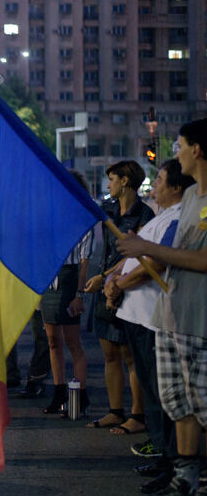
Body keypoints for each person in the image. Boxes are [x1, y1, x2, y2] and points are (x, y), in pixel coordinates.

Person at [117, 119, 207, 496]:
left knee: (203, 405)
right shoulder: (190, 198)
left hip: (199, 317)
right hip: (172, 315)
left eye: (181, 144)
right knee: (179, 401)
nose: (176, 150)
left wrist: (145, 247)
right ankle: (185, 479)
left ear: (199, 150)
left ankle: (202, 488)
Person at [107, 159, 193, 488]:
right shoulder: (163, 217)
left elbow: (154, 262)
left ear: (175, 188)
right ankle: (163, 456)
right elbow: (132, 257)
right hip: (135, 315)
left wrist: (119, 284)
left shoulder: (177, 220)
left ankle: (173, 462)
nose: (154, 186)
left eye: (159, 180)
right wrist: (112, 278)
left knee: (162, 394)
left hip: (151, 318)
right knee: (152, 390)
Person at [83, 160, 154, 432]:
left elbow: (134, 255)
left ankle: (137, 416)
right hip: (105, 288)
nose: (108, 184)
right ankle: (115, 411)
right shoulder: (109, 211)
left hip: (128, 288)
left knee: (129, 355)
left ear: (125, 181)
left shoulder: (144, 215)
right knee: (109, 353)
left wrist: (107, 276)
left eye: (112, 179)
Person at [40, 171, 94, 415]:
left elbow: (85, 261)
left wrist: (80, 294)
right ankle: (59, 390)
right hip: (50, 278)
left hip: (71, 276)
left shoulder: (84, 218)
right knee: (52, 340)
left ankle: (79, 395)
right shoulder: (50, 216)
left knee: (72, 341)